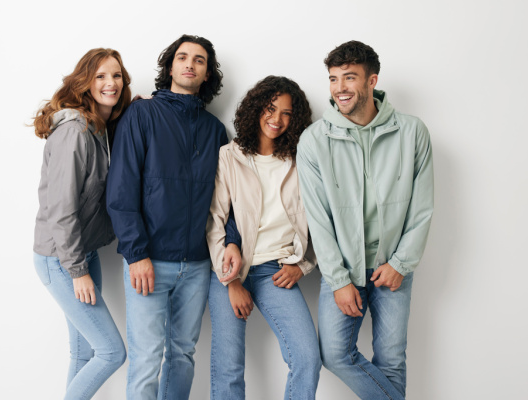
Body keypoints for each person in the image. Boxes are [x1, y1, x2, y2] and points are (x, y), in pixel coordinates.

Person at [296, 40, 434, 399]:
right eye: (333, 78)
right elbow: (318, 218)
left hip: (394, 268)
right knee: (335, 355)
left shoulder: (412, 132)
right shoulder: (313, 140)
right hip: (343, 269)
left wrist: (401, 264)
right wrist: (339, 279)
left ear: (372, 81)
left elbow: (422, 208)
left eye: (349, 77)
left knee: (391, 360)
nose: (339, 87)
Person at [106, 34, 227, 400]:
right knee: (146, 360)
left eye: (199, 60)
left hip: (197, 266)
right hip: (149, 261)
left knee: (182, 355)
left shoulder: (215, 131)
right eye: (182, 57)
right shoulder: (142, 114)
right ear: (170, 67)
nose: (190, 63)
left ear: (207, 74)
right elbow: (121, 190)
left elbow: (226, 200)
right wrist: (136, 254)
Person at [206, 76, 322, 400]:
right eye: (271, 108)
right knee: (228, 369)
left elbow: (320, 220)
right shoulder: (229, 156)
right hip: (230, 268)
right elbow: (215, 220)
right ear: (256, 108)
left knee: (307, 359)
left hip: (277, 271)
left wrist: (304, 265)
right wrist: (230, 281)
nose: (277, 119)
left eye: (286, 113)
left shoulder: (300, 160)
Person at [32, 48, 131, 400]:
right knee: (111, 352)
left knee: (84, 352)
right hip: (60, 259)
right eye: (100, 76)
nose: (110, 83)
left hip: (83, 252)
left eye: (116, 76)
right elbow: (61, 210)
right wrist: (77, 271)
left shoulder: (100, 128)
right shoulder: (74, 132)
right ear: (85, 83)